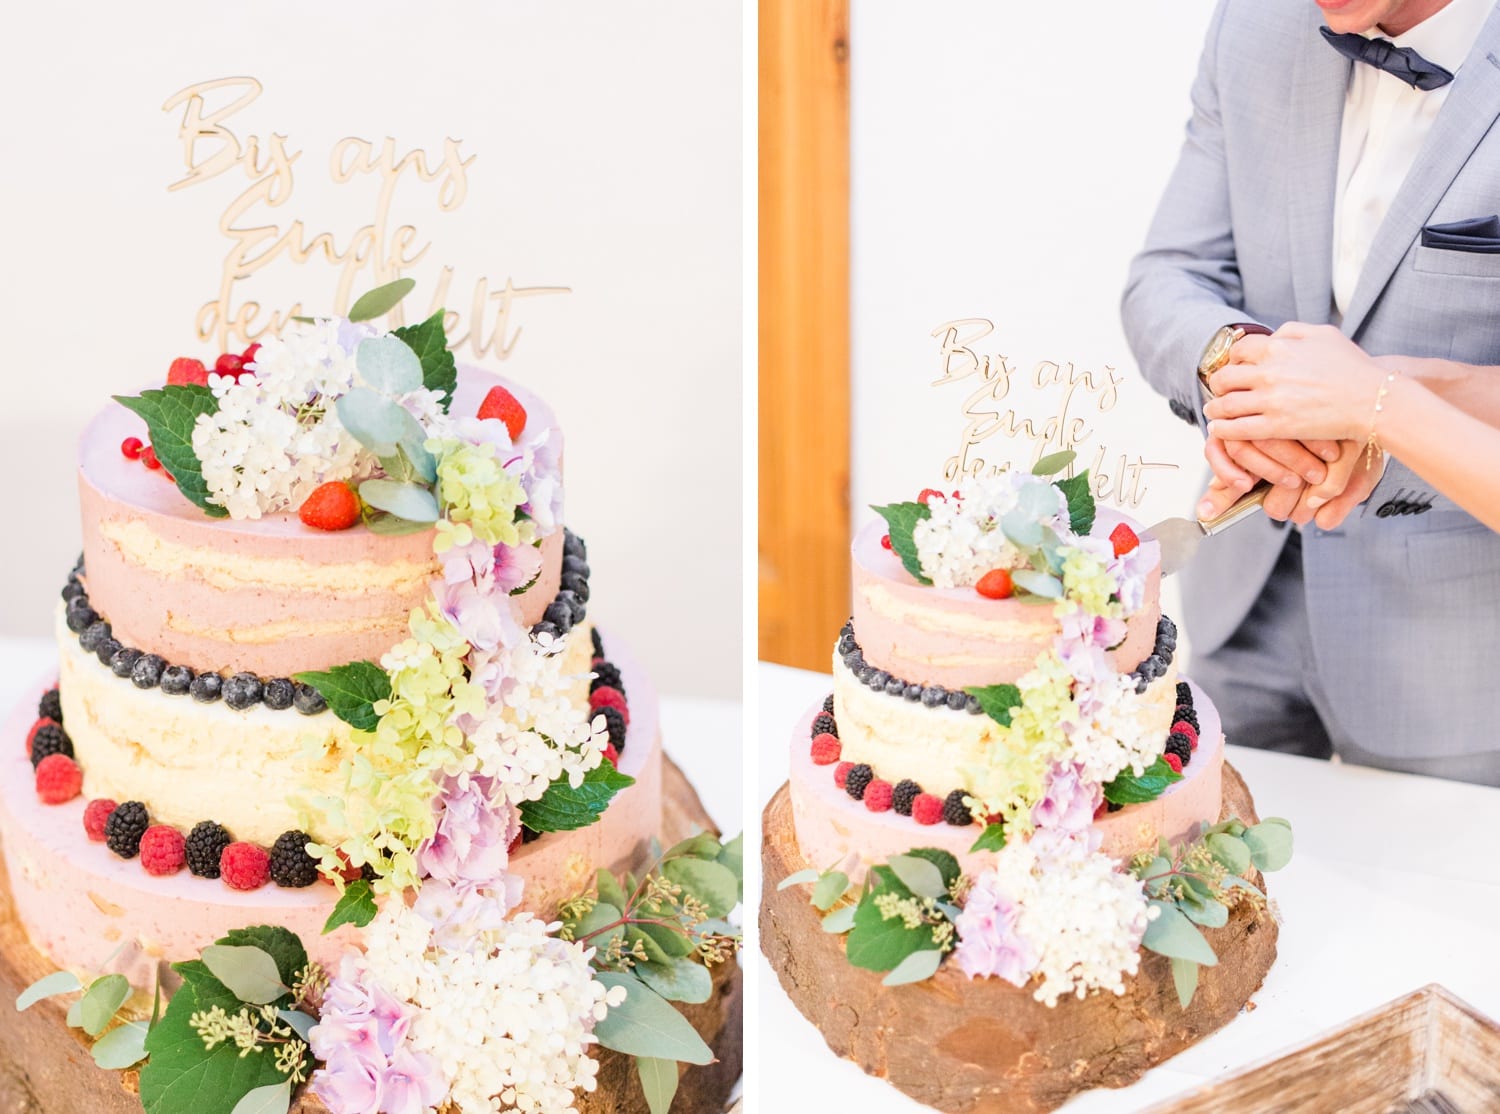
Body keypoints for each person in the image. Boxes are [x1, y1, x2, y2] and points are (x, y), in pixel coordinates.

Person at [1121, 0, 1500, 784]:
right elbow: (1167, 278)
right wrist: (1245, 369)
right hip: (1243, 603)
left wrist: (1373, 402)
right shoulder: (1254, 26)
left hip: (1455, 660)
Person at [1199, 323, 1500, 532]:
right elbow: (1173, 267)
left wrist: (1374, 402)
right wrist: (1246, 376)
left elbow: (1368, 399)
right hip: (1242, 586)